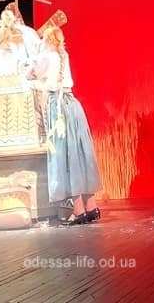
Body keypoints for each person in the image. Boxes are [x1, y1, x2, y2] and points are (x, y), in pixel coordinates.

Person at [32, 26, 101, 225]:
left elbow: (31, 74)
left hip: (58, 106)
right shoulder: (63, 55)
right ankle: (91, 207)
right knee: (78, 153)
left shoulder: (47, 56)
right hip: (73, 104)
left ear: (47, 40)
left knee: (65, 155)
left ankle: (78, 211)